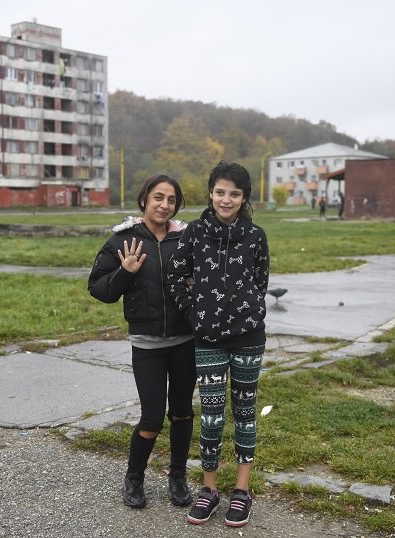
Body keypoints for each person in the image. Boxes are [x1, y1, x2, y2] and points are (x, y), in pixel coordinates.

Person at [167, 160, 269, 528]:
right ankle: (209, 490)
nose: (227, 199)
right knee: (211, 416)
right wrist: (196, 314)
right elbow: (176, 276)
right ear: (210, 193)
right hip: (207, 339)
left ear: (244, 198)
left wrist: (250, 312)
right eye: (221, 192)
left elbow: (260, 281)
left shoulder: (255, 236)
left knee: (244, 412)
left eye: (235, 194)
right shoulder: (194, 233)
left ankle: (242, 490)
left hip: (248, 339)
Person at [88, 174, 196, 510]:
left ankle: (178, 477)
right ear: (144, 200)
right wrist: (126, 271)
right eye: (158, 198)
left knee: (182, 413)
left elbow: (207, 281)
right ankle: (134, 478)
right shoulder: (123, 240)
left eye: (171, 200)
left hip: (185, 341)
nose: (164, 205)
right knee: (151, 418)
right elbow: (99, 289)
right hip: (147, 346)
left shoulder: (186, 240)